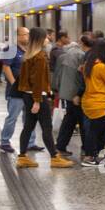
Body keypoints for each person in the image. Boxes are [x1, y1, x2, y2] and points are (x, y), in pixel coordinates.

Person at [15, 27, 73, 169]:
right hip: (37, 97)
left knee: (28, 127)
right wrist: (37, 101)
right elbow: (38, 81)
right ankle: (54, 157)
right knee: (46, 127)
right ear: (40, 39)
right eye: (45, 37)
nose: (47, 39)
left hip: (27, 96)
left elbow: (24, 80)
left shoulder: (27, 55)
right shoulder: (40, 56)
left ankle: (22, 157)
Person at [80, 36, 105, 166]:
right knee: (96, 130)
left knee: (100, 128)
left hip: (90, 101)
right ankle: (89, 157)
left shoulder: (89, 64)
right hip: (98, 102)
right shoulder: (101, 66)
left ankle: (96, 155)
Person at [52, 30, 89, 157]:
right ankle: (86, 148)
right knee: (82, 121)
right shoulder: (81, 55)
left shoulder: (67, 53)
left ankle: (61, 145)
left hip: (68, 92)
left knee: (70, 120)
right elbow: (81, 77)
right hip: (75, 95)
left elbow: (59, 74)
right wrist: (78, 94)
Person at [0, 27, 29, 152]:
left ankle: (30, 142)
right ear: (18, 36)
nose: (28, 36)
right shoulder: (11, 49)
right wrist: (14, 84)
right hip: (16, 91)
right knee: (13, 117)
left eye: (28, 34)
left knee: (29, 117)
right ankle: (5, 142)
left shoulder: (28, 50)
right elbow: (6, 67)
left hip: (29, 90)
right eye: (26, 34)